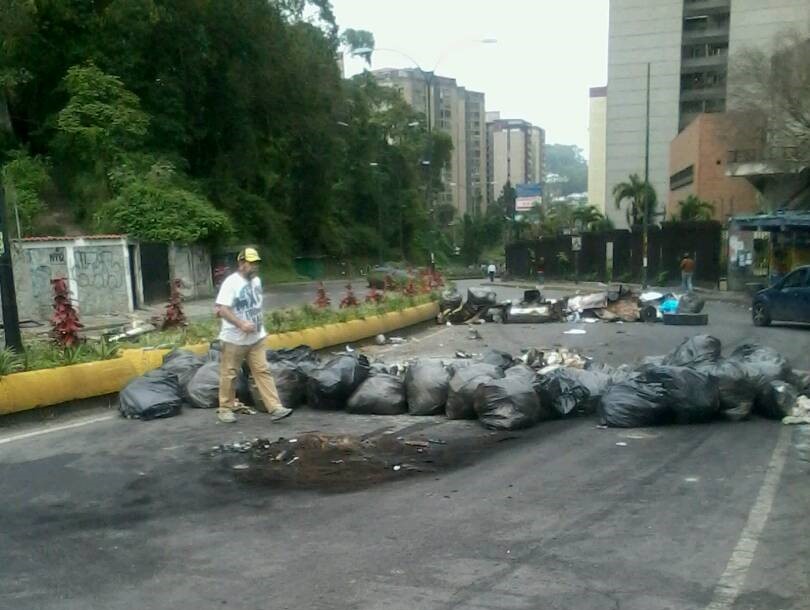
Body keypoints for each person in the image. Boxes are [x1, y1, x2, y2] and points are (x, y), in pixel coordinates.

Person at [214, 247, 292, 424]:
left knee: (262, 371)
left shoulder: (256, 281)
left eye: (256, 263)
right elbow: (221, 310)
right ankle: (225, 408)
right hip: (234, 338)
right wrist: (241, 324)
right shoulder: (231, 283)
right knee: (230, 373)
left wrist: (256, 326)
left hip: (256, 338)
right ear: (241, 264)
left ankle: (275, 407)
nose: (254, 267)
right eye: (251, 263)